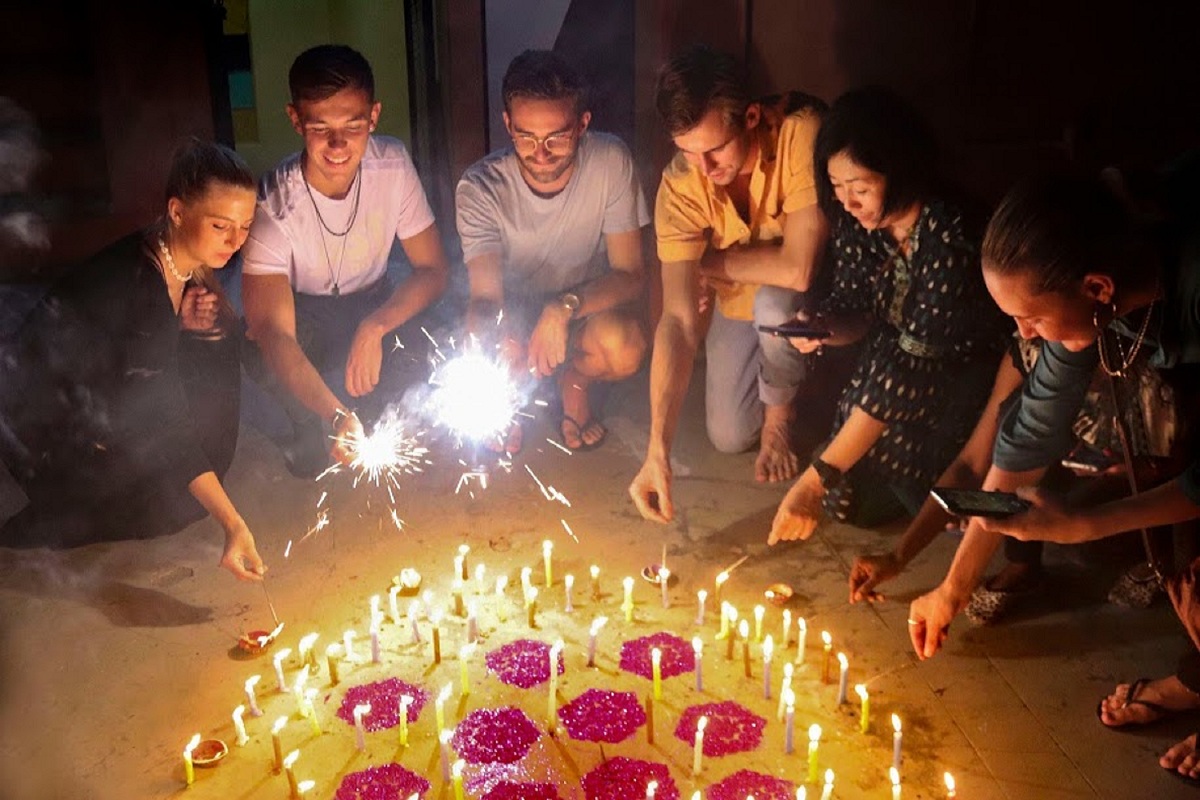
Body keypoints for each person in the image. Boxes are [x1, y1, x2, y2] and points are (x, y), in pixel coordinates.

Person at [906, 171, 1200, 779]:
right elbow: (1026, 442)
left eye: (1031, 318)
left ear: (1096, 287)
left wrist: (1087, 524)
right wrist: (951, 592)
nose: (1024, 335)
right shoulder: (1096, 297)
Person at [0, 139, 265, 581]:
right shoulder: (141, 283)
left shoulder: (174, 254)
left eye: (245, 226)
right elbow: (163, 421)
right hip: (39, 437)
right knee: (173, 503)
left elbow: (131, 356)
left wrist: (330, 415)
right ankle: (51, 518)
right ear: (178, 212)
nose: (236, 241)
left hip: (93, 397)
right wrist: (233, 524)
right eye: (221, 226)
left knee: (220, 339)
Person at [767, 87, 1008, 545]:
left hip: (957, 380)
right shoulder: (864, 227)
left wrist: (812, 480)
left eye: (859, 187)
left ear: (899, 169)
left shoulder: (948, 234)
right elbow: (856, 309)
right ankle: (923, 492)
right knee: (844, 500)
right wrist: (821, 326)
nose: (847, 202)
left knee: (849, 478)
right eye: (837, 189)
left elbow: (912, 365)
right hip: (886, 378)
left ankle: (963, 500)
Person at [629, 45, 828, 523]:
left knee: (777, 304)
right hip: (738, 304)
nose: (705, 167)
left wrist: (710, 263)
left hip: (813, 294)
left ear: (751, 116)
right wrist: (657, 448)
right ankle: (780, 386)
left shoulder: (800, 132)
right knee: (729, 435)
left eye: (715, 148)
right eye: (688, 152)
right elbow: (676, 320)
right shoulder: (680, 186)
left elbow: (798, 268)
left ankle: (781, 414)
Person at [241, 45, 449, 476]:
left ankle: (360, 404)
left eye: (353, 126)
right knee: (261, 362)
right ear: (296, 119)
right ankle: (312, 423)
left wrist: (375, 326)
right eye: (320, 128)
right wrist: (334, 414)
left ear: (373, 117)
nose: (338, 145)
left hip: (374, 301)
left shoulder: (392, 165)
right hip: (306, 314)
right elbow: (272, 331)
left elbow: (433, 271)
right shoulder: (275, 202)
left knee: (438, 340)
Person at [456, 49, 648, 453]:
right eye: (525, 136)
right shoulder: (479, 187)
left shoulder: (610, 162)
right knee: (475, 342)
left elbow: (631, 275)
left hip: (582, 310)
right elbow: (485, 297)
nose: (540, 154)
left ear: (582, 125)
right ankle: (507, 406)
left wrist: (563, 307)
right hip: (516, 312)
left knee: (625, 345)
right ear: (507, 124)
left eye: (556, 137)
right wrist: (501, 337)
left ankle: (574, 384)